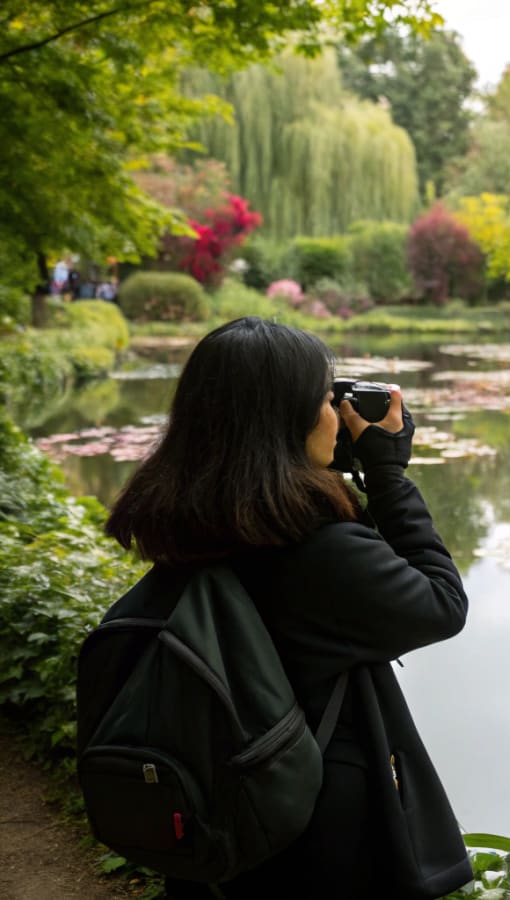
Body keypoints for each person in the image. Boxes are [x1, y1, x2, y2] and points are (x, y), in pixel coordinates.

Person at [102, 317, 472, 899]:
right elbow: (441, 604)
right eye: (326, 401)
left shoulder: (189, 523)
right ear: (285, 420)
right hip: (312, 819)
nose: (335, 416)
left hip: (217, 799)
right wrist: (388, 473)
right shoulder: (319, 547)